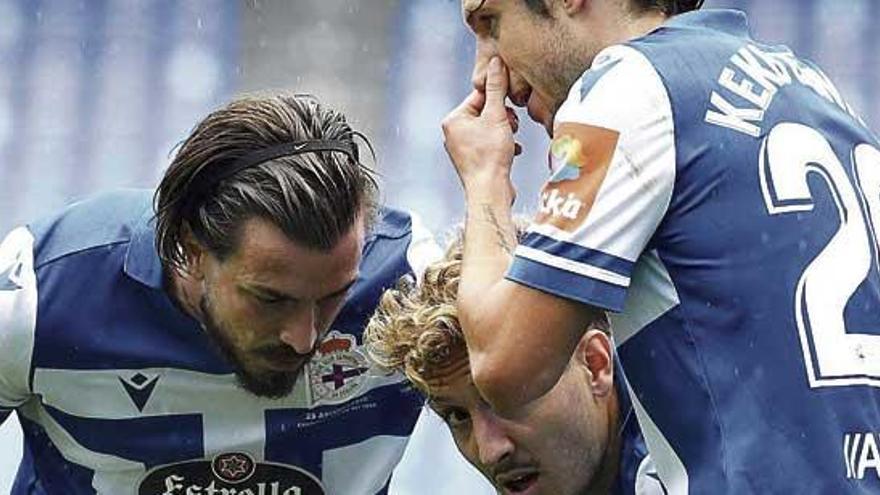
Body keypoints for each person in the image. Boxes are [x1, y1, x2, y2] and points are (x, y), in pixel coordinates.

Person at [441, 0, 880, 493]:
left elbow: (504, 366)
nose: (484, 72)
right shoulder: (811, 87)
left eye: (490, 22)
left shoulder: (628, 86)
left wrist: (485, 178)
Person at [0, 93, 441, 494]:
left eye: (335, 295)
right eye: (271, 299)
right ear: (192, 249)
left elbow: (507, 426)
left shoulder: (409, 284)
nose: (305, 338)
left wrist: (486, 185)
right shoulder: (37, 292)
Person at [365, 230, 663, 495]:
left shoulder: (694, 451)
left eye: (503, 396)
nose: (489, 451)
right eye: (457, 416)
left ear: (595, 364)